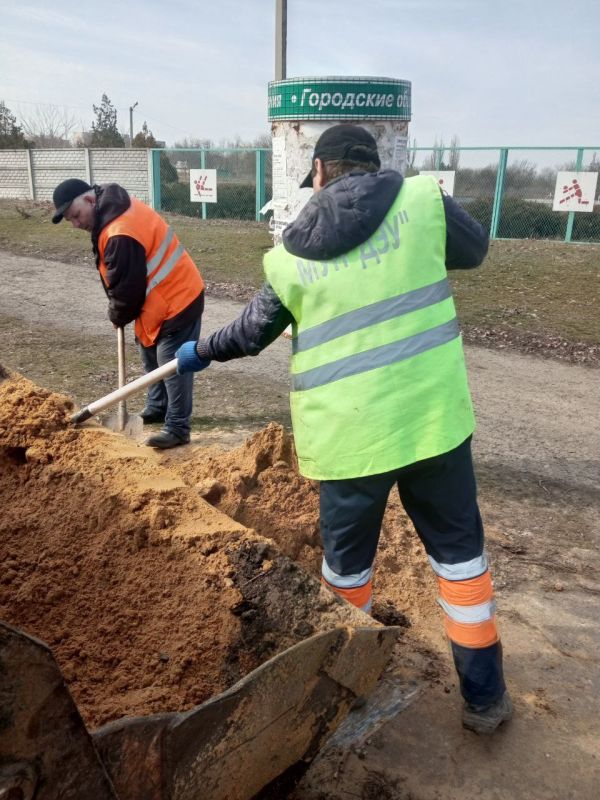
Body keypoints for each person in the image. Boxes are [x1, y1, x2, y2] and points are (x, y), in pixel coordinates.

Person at [176, 124, 512, 734]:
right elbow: (475, 250)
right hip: (433, 427)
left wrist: (200, 350)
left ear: (322, 173)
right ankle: (485, 700)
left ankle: (343, 693)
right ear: (373, 163)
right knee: (461, 564)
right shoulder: (424, 202)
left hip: (350, 445)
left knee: (347, 577)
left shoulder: (290, 257)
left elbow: (251, 333)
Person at [52, 178, 204, 449]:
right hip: (157, 300)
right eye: (70, 221)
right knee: (149, 354)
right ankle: (158, 407)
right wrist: (120, 310)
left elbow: (127, 290)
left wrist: (117, 314)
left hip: (177, 297)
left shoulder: (119, 231)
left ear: (90, 200)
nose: (76, 224)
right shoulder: (113, 207)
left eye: (76, 216)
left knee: (171, 363)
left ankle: (178, 427)